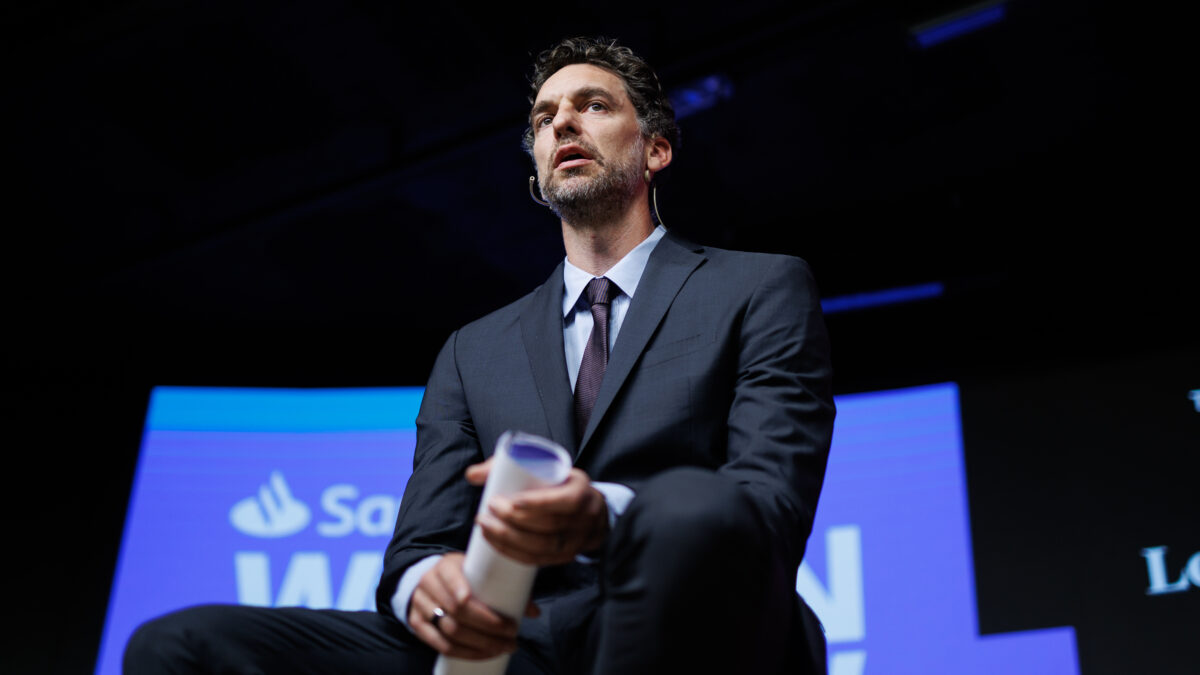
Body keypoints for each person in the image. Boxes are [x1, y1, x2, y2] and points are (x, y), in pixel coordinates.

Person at [124, 36, 834, 675]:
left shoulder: (759, 285)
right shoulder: (473, 349)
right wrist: (426, 584)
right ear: (536, 171)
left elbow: (766, 505)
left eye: (592, 105)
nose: (561, 123)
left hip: (692, 627)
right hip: (513, 643)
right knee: (178, 647)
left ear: (656, 150)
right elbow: (416, 546)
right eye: (544, 116)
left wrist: (606, 516)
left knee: (690, 498)